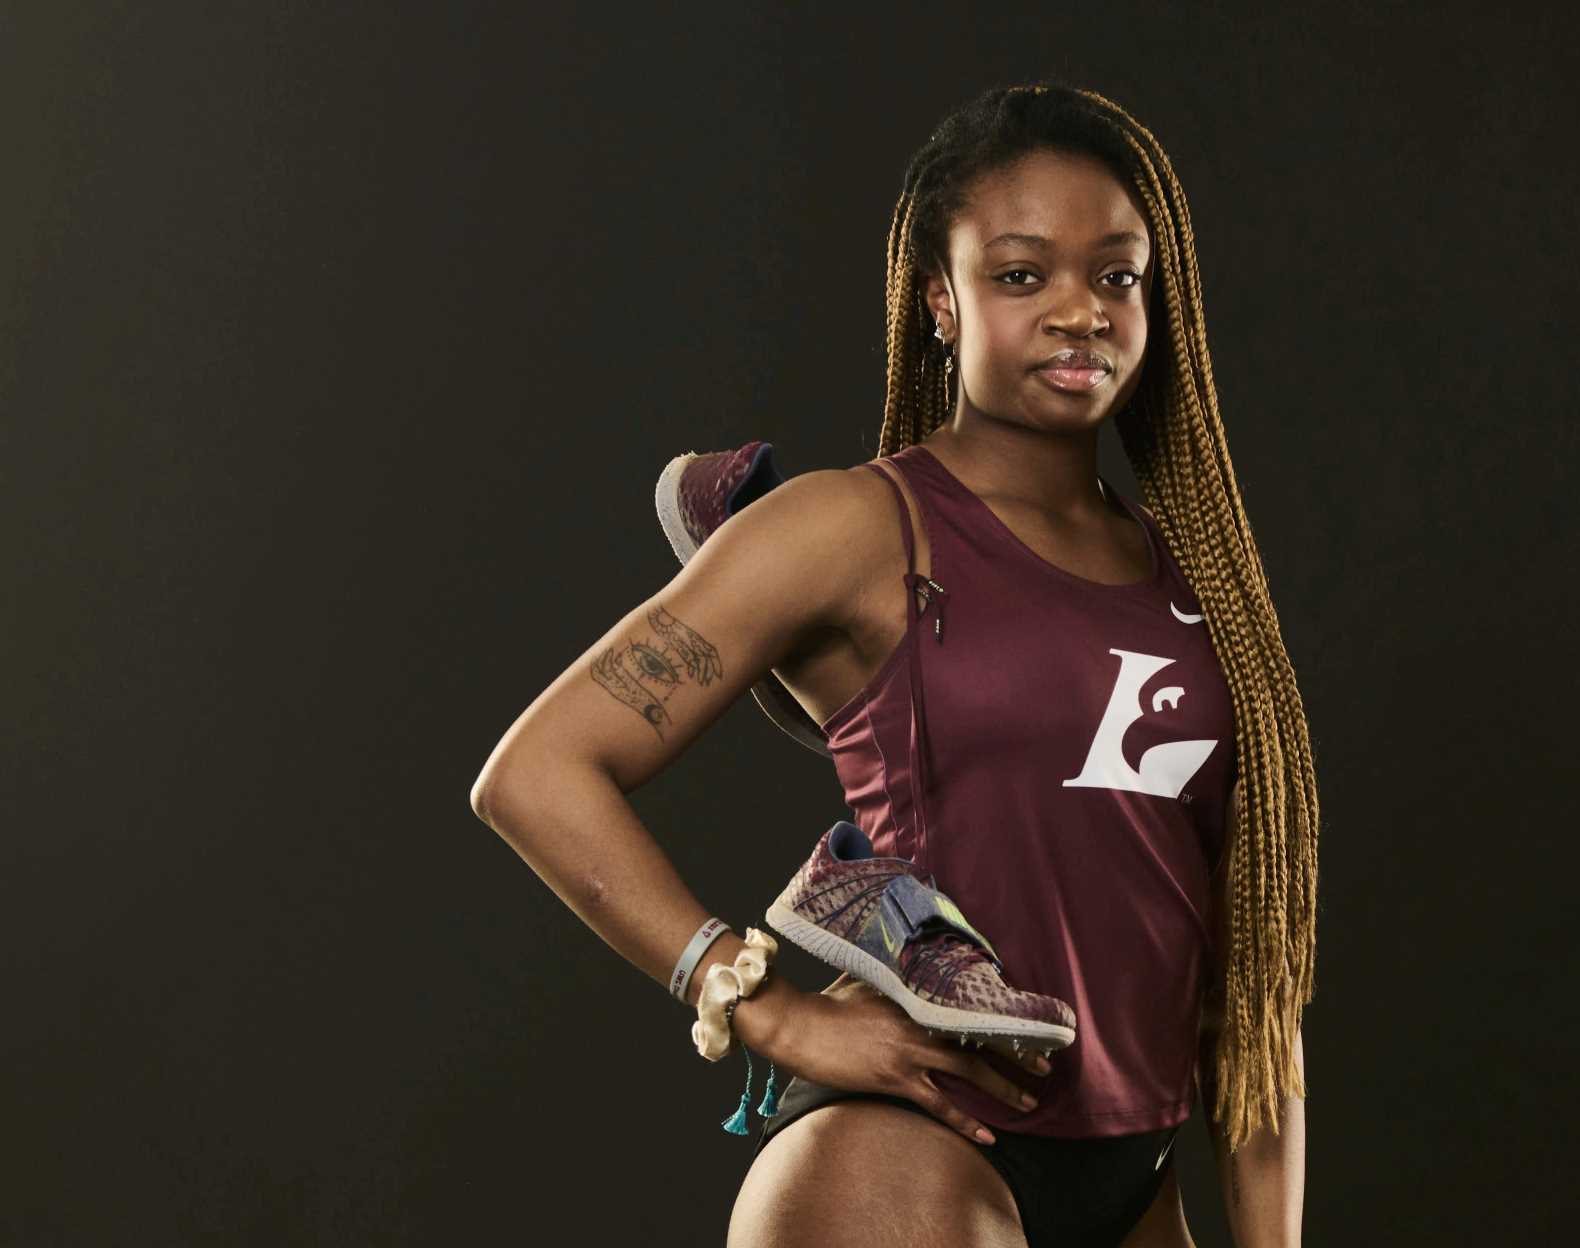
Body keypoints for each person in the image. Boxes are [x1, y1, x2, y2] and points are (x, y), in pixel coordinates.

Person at [470, 81, 1316, 1248]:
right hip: (903, 1157)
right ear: (939, 300)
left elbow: (1250, 982)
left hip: (1136, 1173)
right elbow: (536, 772)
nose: (1079, 310)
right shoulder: (856, 527)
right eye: (1020, 274)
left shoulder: (1201, 582)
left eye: (1116, 276)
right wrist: (753, 1001)